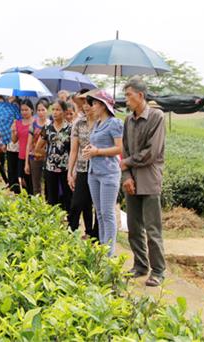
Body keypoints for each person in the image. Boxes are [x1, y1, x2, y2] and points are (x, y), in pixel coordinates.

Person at [120, 76, 166, 287]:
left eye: (129, 95)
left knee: (152, 228)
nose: (126, 99)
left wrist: (127, 163)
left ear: (140, 95)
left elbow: (152, 153)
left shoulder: (157, 117)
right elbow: (125, 149)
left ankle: (158, 271)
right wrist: (127, 177)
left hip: (149, 180)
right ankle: (140, 265)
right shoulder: (128, 120)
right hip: (132, 180)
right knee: (133, 226)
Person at [82, 90, 123, 257]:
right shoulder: (97, 124)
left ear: (104, 105)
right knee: (98, 213)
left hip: (108, 173)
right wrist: (89, 151)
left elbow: (120, 148)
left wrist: (97, 151)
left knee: (108, 213)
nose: (93, 106)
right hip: (94, 172)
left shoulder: (115, 123)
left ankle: (109, 252)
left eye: (96, 103)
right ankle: (103, 247)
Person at [67, 89, 98, 239]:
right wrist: (70, 172)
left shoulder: (103, 123)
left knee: (98, 206)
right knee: (77, 203)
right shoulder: (79, 124)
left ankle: (95, 237)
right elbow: (73, 150)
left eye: (90, 103)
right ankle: (70, 234)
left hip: (99, 169)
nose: (86, 106)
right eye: (84, 102)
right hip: (82, 168)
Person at [36, 100, 72, 211]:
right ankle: (52, 222)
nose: (55, 112)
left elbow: (74, 149)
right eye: (53, 110)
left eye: (58, 110)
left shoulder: (70, 129)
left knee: (67, 197)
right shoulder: (47, 128)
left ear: (65, 112)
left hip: (66, 168)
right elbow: (38, 148)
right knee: (51, 198)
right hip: (50, 168)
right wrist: (49, 154)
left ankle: (69, 223)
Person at [25, 98, 50, 196]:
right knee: (36, 186)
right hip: (34, 158)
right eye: (38, 110)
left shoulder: (51, 124)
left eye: (43, 110)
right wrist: (26, 163)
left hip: (48, 157)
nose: (40, 112)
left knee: (48, 184)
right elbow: (28, 144)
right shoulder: (33, 125)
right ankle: (38, 207)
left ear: (47, 110)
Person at [11, 99, 34, 195]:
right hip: (21, 156)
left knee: (31, 183)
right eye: (22, 110)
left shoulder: (35, 122)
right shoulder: (18, 123)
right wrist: (13, 131)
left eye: (26, 110)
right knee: (21, 182)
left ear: (32, 110)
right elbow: (14, 140)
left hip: (32, 156)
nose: (24, 112)